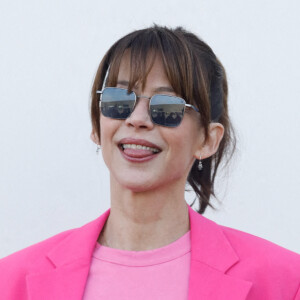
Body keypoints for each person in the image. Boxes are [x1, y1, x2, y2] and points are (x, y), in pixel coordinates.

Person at [0, 25, 300, 300]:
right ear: (96, 124)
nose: (137, 119)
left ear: (208, 140)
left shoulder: (284, 282)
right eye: (118, 101)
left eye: (167, 107)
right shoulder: (11, 281)